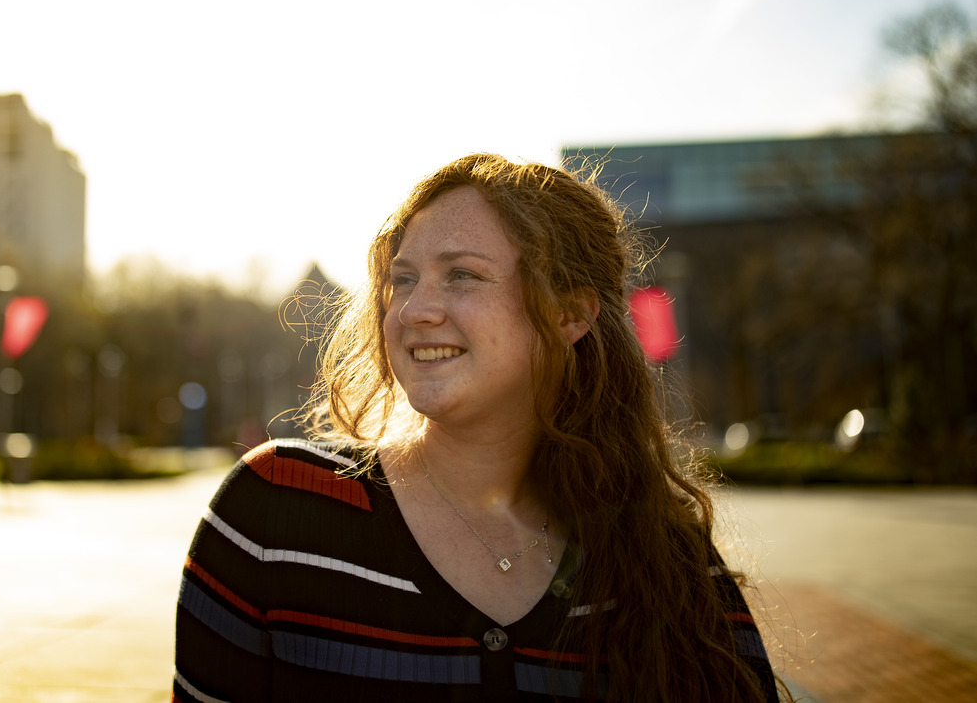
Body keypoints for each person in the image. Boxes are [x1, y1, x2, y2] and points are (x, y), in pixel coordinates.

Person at [173, 154, 783, 702]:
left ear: (570, 314)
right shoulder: (275, 512)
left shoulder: (669, 559)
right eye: (402, 280)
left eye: (461, 275)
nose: (413, 311)